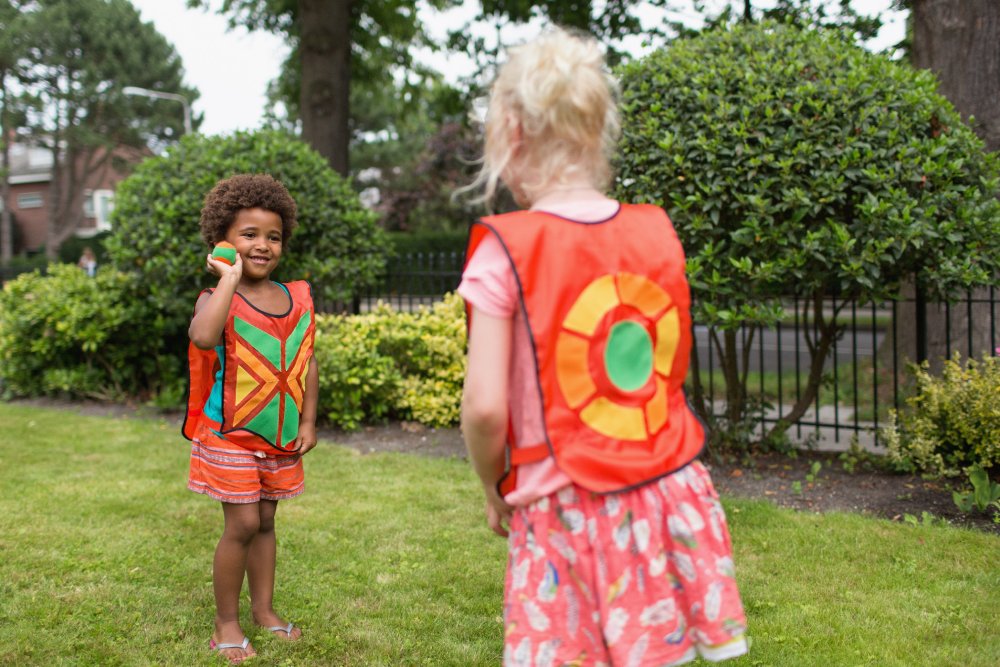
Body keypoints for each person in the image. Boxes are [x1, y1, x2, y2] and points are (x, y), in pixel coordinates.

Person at [458, 28, 748, 666]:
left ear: (510, 135)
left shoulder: (505, 250)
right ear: (598, 132)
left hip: (565, 503)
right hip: (665, 487)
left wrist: (491, 485)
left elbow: (483, 408)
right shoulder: (655, 233)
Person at [184, 173, 318, 665]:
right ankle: (226, 623)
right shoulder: (218, 295)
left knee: (265, 520)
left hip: (280, 435)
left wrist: (308, 422)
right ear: (224, 239)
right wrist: (229, 278)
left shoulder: (296, 296)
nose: (263, 245)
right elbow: (202, 337)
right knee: (241, 522)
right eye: (249, 235)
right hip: (229, 435)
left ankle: (263, 611)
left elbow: (307, 360)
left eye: (273, 236)